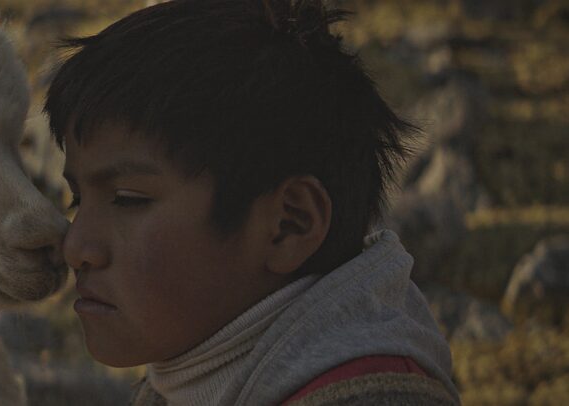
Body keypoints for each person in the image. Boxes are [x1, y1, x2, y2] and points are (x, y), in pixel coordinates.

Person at [42, 0, 460, 404]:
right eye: (77, 199)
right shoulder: (193, 373)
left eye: (127, 199)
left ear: (288, 224)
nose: (75, 247)